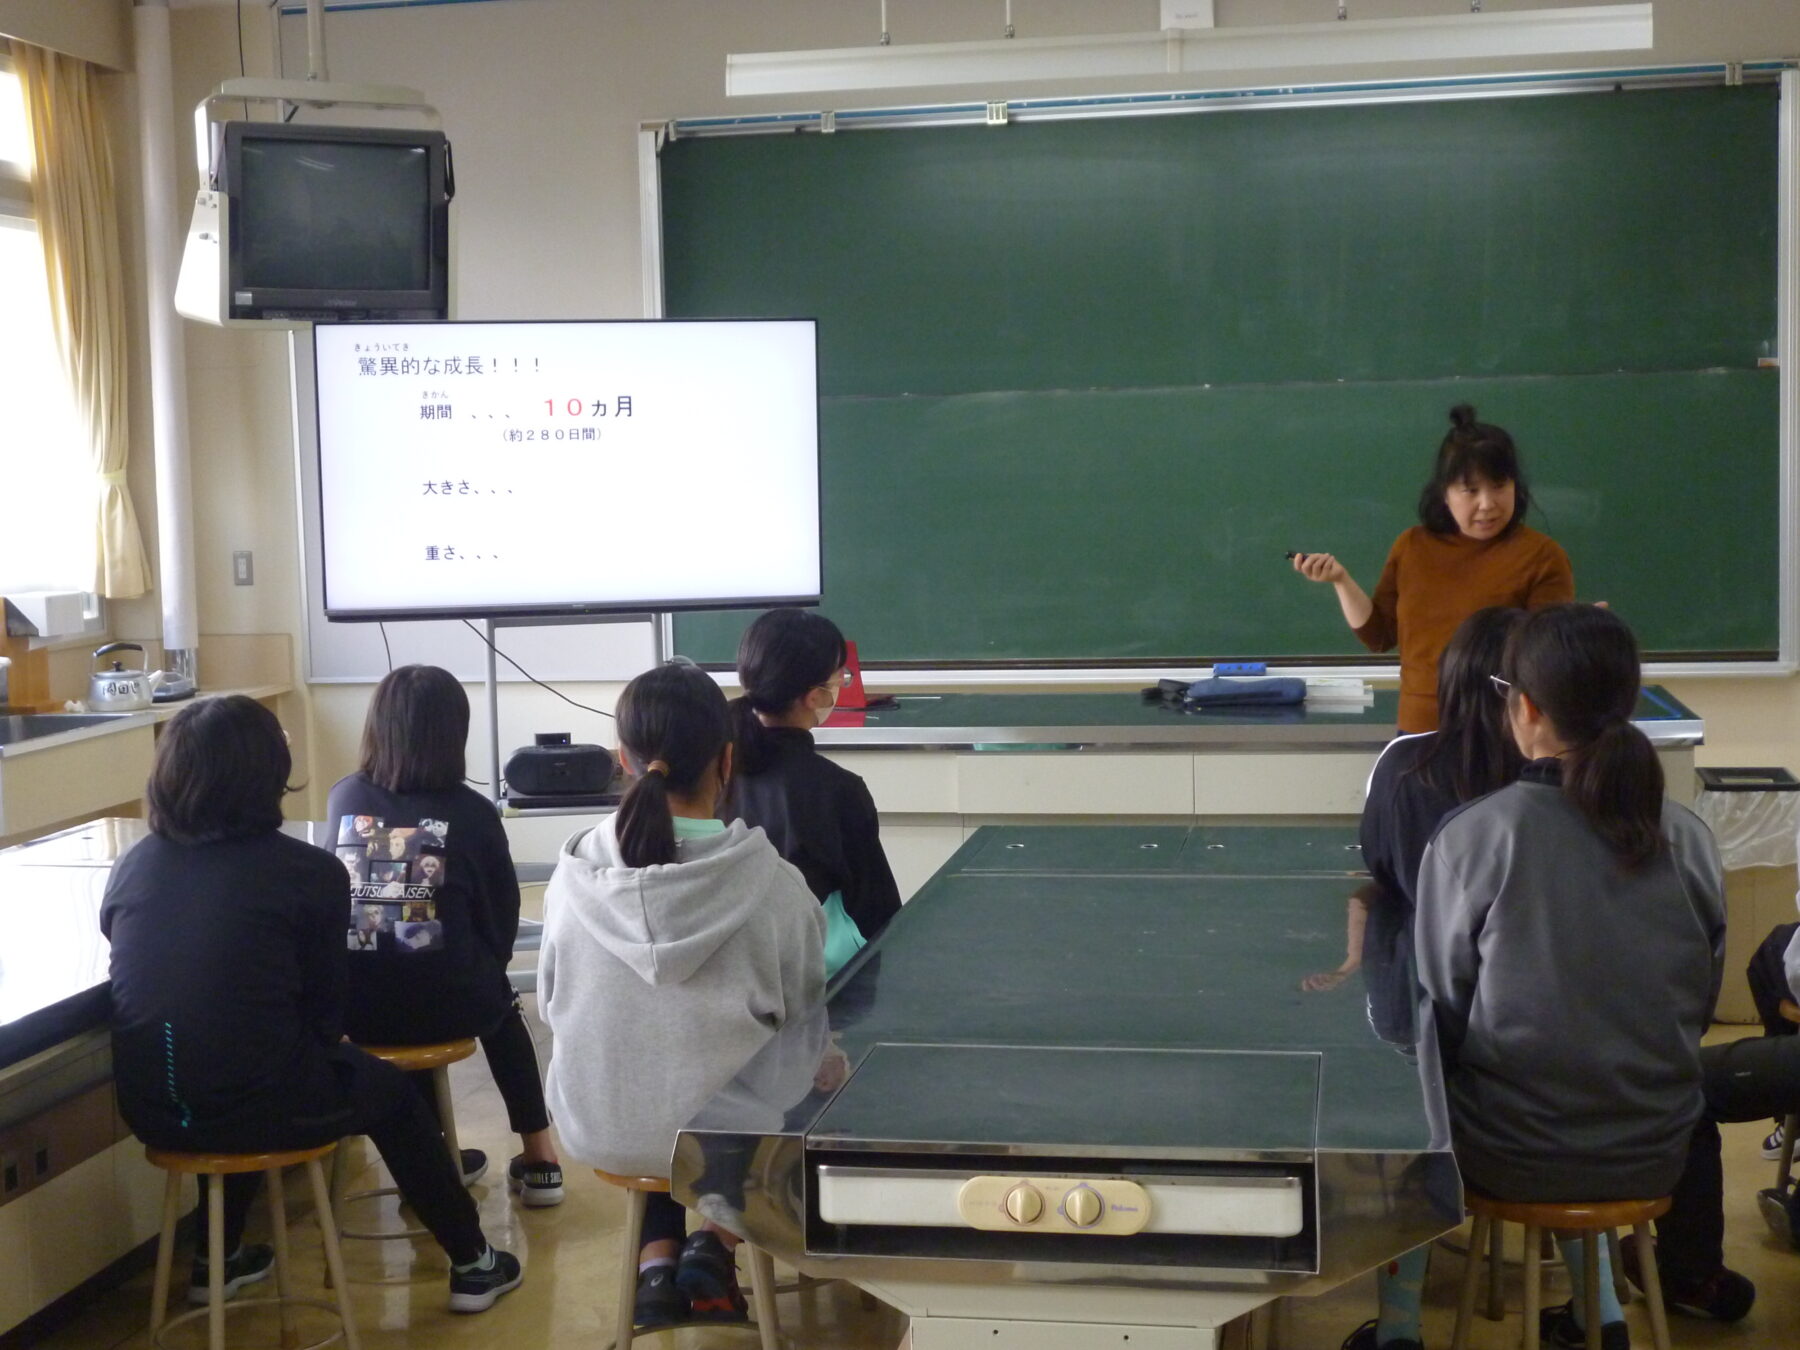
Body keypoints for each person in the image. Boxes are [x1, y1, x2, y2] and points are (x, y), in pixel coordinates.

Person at [101, 696, 521, 1314]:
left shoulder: (133, 866)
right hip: (259, 1100)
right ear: (266, 774)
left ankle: (215, 1261)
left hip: (151, 1106)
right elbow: (327, 1023)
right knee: (392, 1101)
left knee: (243, 1070)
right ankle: (474, 1263)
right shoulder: (307, 873)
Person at [1402, 605, 1723, 1350]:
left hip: (1512, 1151)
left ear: (1525, 707)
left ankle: (1398, 1321)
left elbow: (1440, 1013)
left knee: (1413, 1094)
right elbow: (1700, 998)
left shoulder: (1476, 837)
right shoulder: (1689, 837)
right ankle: (1596, 1311)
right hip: (1655, 1146)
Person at [540, 661, 825, 1331]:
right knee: (793, 1087)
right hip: (729, 1146)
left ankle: (655, 1267)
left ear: (623, 759)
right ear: (727, 760)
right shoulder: (774, 886)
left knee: (663, 1076)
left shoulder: (570, 879)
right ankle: (715, 1241)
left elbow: (553, 1005)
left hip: (600, 1124)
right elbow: (806, 1034)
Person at [326, 664, 564, 1206]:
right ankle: (541, 1158)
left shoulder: (343, 802)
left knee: (398, 979)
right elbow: (501, 919)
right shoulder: (473, 813)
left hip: (356, 1010)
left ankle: (433, 1159)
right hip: (451, 1003)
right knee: (502, 1010)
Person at [1292, 405, 1574, 734]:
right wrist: (1340, 580)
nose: (1487, 504)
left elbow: (1546, 662)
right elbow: (1379, 635)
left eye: (1499, 486)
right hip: (1418, 733)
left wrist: (1575, 635)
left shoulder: (1541, 556)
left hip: (1500, 736)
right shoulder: (1412, 547)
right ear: (1445, 494)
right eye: (1470, 490)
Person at [1324, 607, 1526, 1041]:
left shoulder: (1402, 762)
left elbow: (1380, 865)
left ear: (1449, 678)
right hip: (1526, 1012)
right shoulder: (1557, 772)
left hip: (1419, 1003)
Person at [720, 608, 901, 975]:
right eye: (840, 676)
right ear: (816, 696)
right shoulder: (838, 790)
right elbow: (880, 917)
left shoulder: (709, 773)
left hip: (727, 975)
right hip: (813, 985)